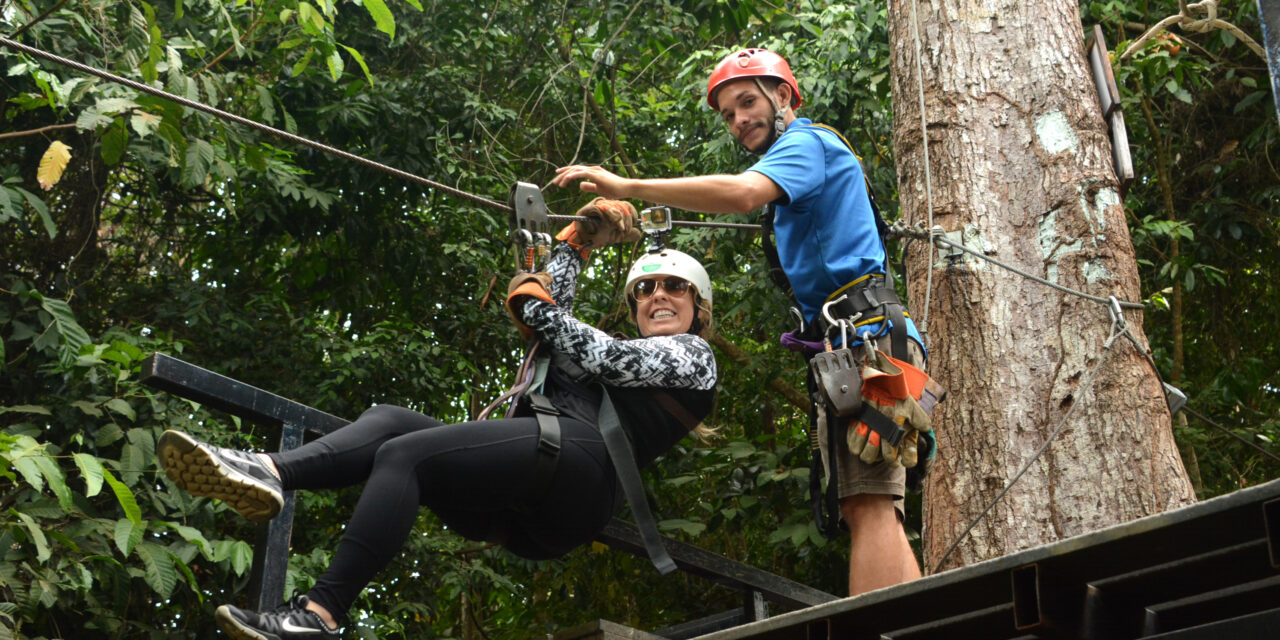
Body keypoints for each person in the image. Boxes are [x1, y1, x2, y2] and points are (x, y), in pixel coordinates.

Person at [156, 199, 718, 639]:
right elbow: (559, 319)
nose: (658, 296)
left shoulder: (694, 356)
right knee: (390, 422)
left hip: (582, 471)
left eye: (674, 287)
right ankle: (269, 472)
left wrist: (537, 306)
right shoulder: (618, 349)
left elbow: (595, 350)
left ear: (699, 305)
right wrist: (579, 243)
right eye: (645, 288)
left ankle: (320, 615)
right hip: (536, 493)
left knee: (407, 456)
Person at [552, 48, 933, 596]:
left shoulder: (806, 143)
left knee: (867, 506)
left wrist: (627, 186)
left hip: (867, 340)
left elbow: (742, 193)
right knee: (871, 507)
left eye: (748, 102)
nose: (739, 121)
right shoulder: (801, 168)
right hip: (863, 341)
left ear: (785, 97)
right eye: (729, 114)